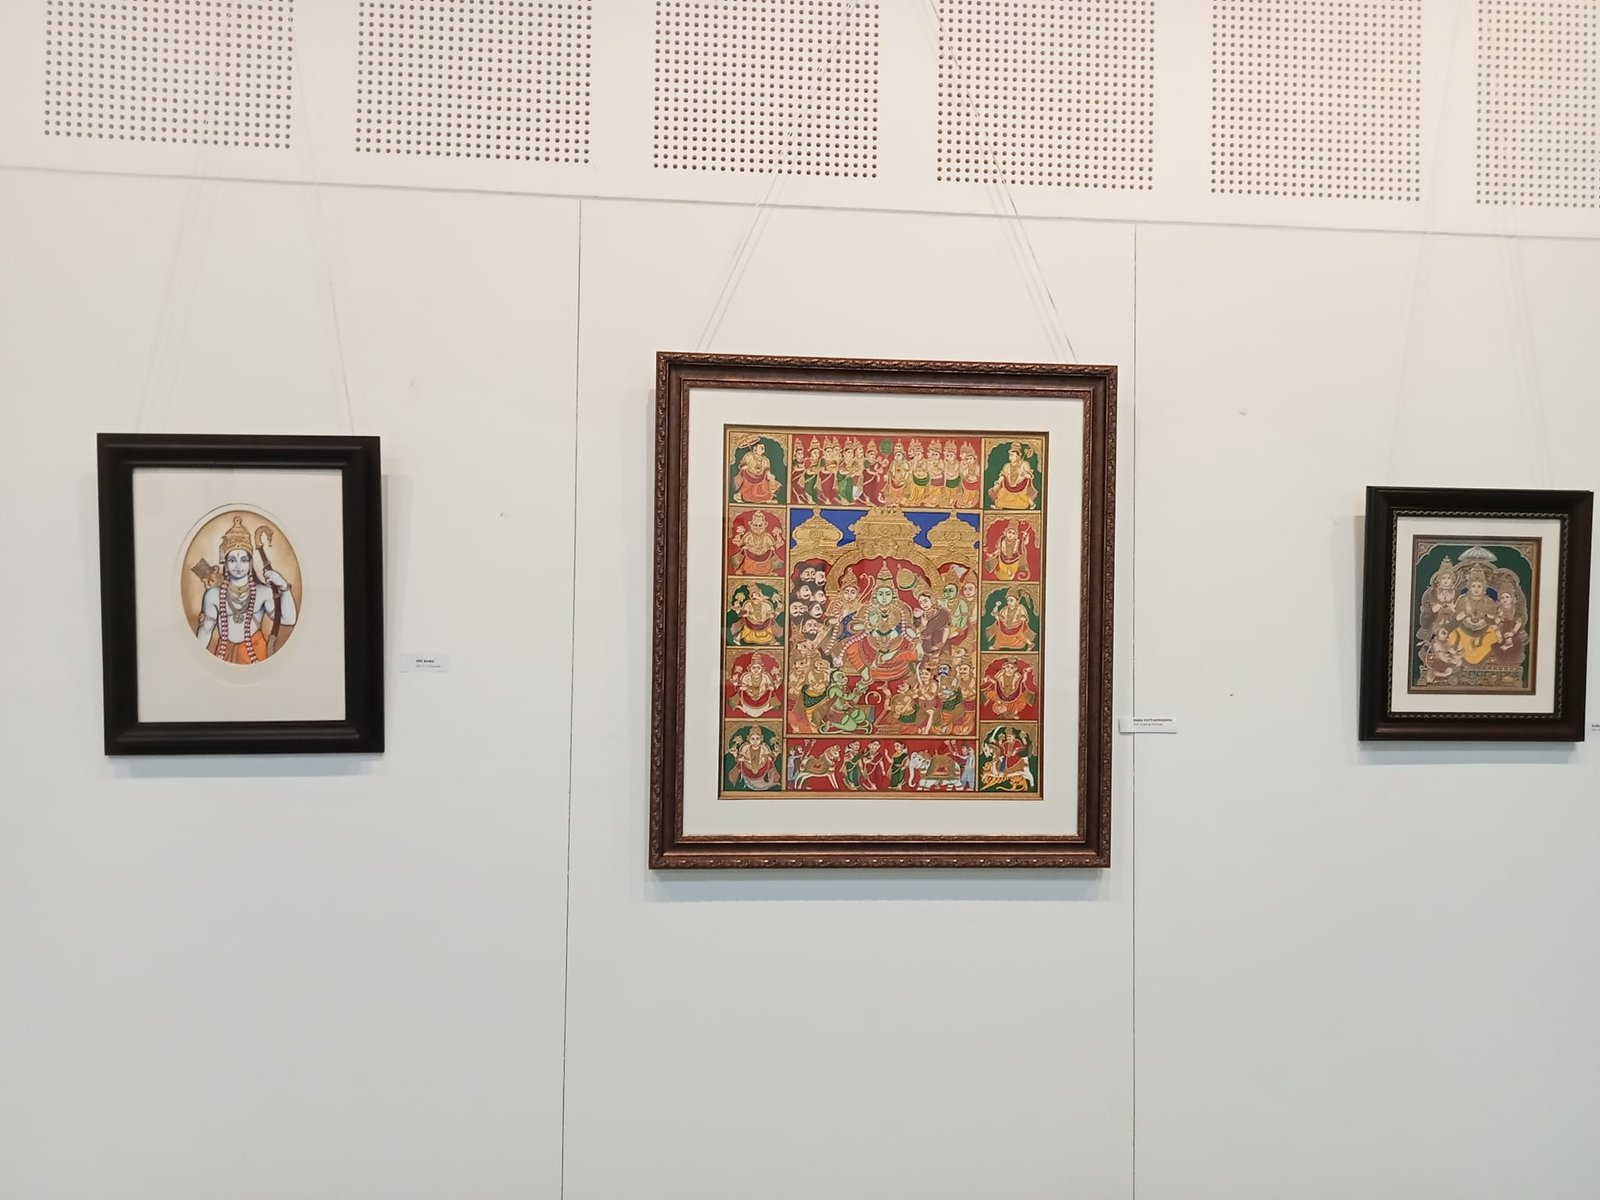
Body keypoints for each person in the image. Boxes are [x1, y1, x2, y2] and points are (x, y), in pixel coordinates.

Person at [196, 516, 295, 664]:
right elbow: (205, 630)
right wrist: (195, 661)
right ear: (226, 564)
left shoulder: (263, 592)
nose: (238, 566)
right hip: (224, 655)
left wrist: (284, 587)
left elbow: (289, 620)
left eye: (243, 560)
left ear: (250, 563)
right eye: (232, 560)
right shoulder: (213, 594)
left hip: (256, 655)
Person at [988, 442, 1038, 510]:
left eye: (1012, 455)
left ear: (1018, 456)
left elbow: (1029, 476)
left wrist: (1024, 474)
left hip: (1020, 487)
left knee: (1022, 497)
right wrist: (997, 483)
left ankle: (1032, 504)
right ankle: (999, 505)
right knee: (1000, 495)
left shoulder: (1024, 464)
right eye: (1009, 455)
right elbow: (1003, 476)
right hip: (1008, 487)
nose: (1010, 457)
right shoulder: (1007, 466)